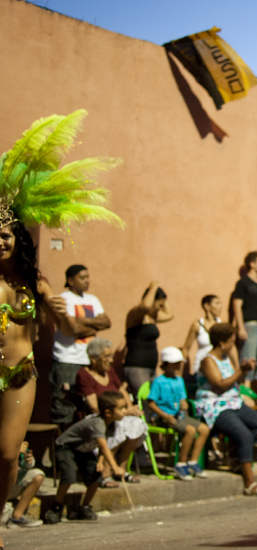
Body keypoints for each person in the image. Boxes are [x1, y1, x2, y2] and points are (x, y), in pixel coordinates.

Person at [0, 109, 122, 547]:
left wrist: (57, 310)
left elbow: (67, 323)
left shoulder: (35, 282)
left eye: (8, 232)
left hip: (20, 373)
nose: (2, 239)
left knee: (8, 454)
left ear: (20, 239)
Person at [195, 323, 257, 495]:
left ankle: (235, 451)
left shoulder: (225, 358)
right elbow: (220, 384)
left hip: (234, 403)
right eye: (231, 341)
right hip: (215, 406)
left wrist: (244, 372)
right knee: (244, 435)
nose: (233, 344)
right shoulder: (208, 360)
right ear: (222, 342)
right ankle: (249, 483)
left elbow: (233, 381)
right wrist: (240, 370)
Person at [44, 391, 128, 524]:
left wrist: (100, 461)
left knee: (96, 476)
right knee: (69, 475)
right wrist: (115, 467)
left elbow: (103, 446)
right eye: (122, 408)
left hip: (84, 450)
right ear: (108, 412)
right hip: (67, 446)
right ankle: (56, 506)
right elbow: (104, 446)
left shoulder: (112, 424)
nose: (125, 411)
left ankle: (84, 507)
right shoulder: (97, 422)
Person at [77, 338, 146, 487]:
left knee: (138, 424)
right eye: (106, 357)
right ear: (93, 359)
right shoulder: (84, 374)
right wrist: (124, 412)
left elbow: (122, 391)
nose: (111, 360)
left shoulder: (110, 372)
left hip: (118, 413)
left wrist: (131, 408)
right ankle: (106, 472)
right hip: (99, 417)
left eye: (111, 356)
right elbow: (94, 406)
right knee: (117, 428)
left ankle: (121, 467)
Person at [50, 264, 112, 428]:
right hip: (67, 360)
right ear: (70, 280)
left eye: (88, 277)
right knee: (65, 406)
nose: (87, 281)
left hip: (88, 361)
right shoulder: (63, 299)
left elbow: (107, 322)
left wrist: (81, 321)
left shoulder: (92, 300)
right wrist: (94, 324)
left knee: (85, 405)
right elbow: (72, 329)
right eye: (82, 277)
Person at [147, 347, 210, 480]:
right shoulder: (159, 381)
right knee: (190, 430)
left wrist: (185, 404)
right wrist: (165, 416)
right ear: (165, 363)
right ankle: (181, 463)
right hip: (163, 417)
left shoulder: (179, 380)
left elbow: (182, 399)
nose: (177, 365)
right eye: (174, 362)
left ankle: (193, 461)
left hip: (179, 416)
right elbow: (151, 403)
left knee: (204, 429)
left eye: (178, 362)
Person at [123, 281, 173, 397]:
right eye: (159, 305)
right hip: (137, 366)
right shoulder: (135, 315)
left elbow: (170, 314)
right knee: (144, 398)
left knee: (153, 399)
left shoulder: (153, 317)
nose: (161, 309)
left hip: (151, 366)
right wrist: (154, 287)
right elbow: (145, 306)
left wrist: (163, 297)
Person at [232, 251, 257, 395]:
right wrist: (240, 327)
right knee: (248, 360)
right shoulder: (242, 283)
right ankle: (245, 393)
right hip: (250, 326)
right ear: (252, 264)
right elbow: (237, 305)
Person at [181, 294, 224, 387]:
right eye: (217, 303)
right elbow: (186, 349)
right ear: (207, 306)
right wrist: (180, 372)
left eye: (220, 304)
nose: (220, 307)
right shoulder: (197, 325)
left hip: (219, 367)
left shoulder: (221, 325)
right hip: (201, 368)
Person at [3, 442, 44, 528]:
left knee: (37, 475)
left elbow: (27, 467)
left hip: (11, 483)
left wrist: (27, 459)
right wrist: (13, 452)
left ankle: (17, 517)